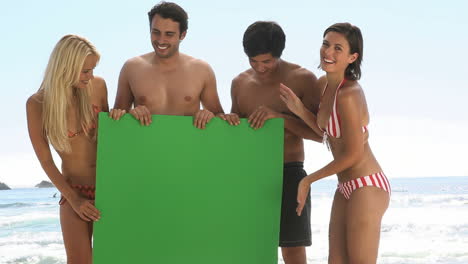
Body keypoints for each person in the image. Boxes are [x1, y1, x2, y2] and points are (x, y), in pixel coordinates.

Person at [280, 22, 391, 264]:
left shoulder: (350, 94)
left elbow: (352, 154)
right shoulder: (323, 85)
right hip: (345, 186)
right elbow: (326, 132)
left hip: (367, 184)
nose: (328, 52)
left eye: (338, 48)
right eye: (325, 44)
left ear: (352, 57)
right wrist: (298, 110)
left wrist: (307, 180)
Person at [224, 21, 322, 264]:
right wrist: (230, 121)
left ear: (279, 54)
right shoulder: (239, 83)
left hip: (289, 171)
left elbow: (322, 135)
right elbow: (237, 132)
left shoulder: (302, 79)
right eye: (253, 61)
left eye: (266, 61)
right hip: (249, 174)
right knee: (251, 248)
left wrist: (280, 118)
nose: (260, 67)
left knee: (292, 250)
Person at [26, 34, 112, 263]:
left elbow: (113, 137)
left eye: (92, 69)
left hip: (111, 188)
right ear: (66, 67)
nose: (90, 76)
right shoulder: (37, 105)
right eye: (85, 71)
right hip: (75, 191)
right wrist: (74, 199)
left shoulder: (98, 86)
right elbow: (45, 160)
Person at [111, 1, 224, 126]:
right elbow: (117, 118)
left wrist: (209, 115)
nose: (161, 40)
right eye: (156, 32)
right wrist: (131, 114)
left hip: (188, 144)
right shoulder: (131, 68)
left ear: (183, 35)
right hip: (145, 144)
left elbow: (219, 117)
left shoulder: (202, 70)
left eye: (169, 34)